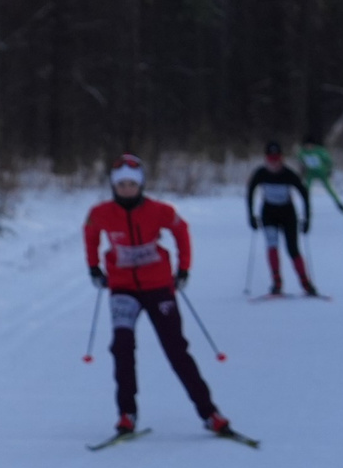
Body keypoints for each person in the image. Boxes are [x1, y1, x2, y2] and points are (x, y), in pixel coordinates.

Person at [84, 154, 232, 438]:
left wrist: (184, 268)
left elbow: (181, 229)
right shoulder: (101, 212)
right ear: (113, 186)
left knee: (176, 349)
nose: (126, 189)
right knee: (122, 346)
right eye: (121, 184)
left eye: (132, 184)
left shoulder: (159, 210)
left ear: (141, 185)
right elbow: (90, 232)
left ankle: (209, 413)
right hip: (123, 289)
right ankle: (126, 414)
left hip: (158, 287)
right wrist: (93, 267)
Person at [245, 141, 316, 297]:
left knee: (293, 249)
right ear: (266, 158)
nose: (274, 163)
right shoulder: (261, 174)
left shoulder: (289, 174)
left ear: (282, 158)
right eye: (271, 159)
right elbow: (250, 193)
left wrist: (307, 218)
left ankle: (306, 283)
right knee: (272, 246)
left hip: (288, 215)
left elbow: (304, 194)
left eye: (277, 158)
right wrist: (250, 216)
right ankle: (276, 282)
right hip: (269, 214)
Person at [299, 137, 343, 217]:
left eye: (310, 145)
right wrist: (302, 169)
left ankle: (339, 204)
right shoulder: (303, 152)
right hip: (310, 173)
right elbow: (300, 160)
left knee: (329, 188)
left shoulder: (319, 151)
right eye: (307, 145)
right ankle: (307, 207)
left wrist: (329, 170)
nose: (309, 147)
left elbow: (328, 160)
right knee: (306, 189)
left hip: (322, 172)